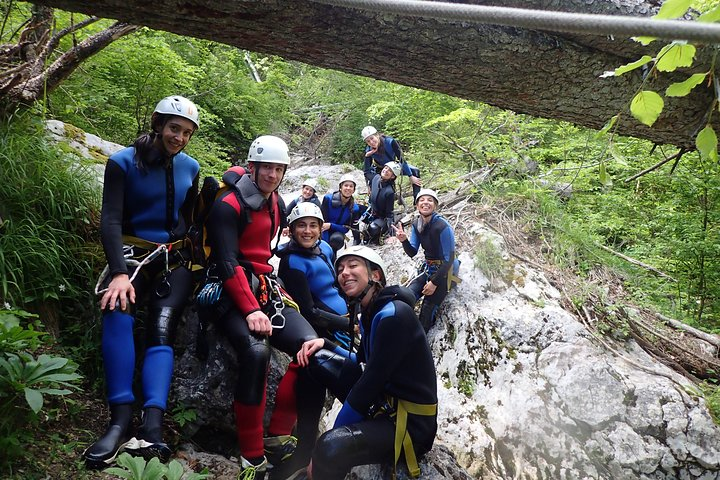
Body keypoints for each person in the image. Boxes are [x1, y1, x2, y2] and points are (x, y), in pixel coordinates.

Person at [84, 95, 200, 469]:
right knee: (117, 310)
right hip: (132, 257)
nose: (178, 137)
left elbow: (187, 219)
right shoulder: (121, 163)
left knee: (161, 327)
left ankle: (152, 425)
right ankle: (119, 421)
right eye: (173, 129)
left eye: (186, 132)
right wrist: (118, 271)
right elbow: (111, 221)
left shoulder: (191, 167)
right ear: (158, 124)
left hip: (173, 259)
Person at [203, 135, 320, 480]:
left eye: (278, 169)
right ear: (251, 167)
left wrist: (265, 297)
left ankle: (278, 434)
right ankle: (251, 455)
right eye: (266, 167)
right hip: (228, 286)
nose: (271, 175)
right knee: (257, 353)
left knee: (309, 347)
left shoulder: (276, 201)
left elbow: (266, 253)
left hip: (265, 286)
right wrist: (251, 309)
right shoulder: (228, 204)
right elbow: (226, 261)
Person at [294, 246, 438, 480]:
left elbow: (367, 386)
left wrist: (323, 451)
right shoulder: (372, 311)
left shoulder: (394, 316)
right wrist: (326, 344)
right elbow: (364, 363)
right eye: (340, 269)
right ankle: (303, 447)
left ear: (375, 275)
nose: (344, 273)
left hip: (409, 427)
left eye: (353, 265)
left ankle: (315, 462)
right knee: (316, 360)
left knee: (331, 447)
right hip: (385, 404)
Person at [271, 202, 353, 477]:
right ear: (292, 230)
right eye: (302, 226)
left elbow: (337, 286)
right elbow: (308, 311)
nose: (308, 231)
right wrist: (348, 323)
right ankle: (304, 452)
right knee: (312, 386)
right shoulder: (292, 262)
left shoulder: (327, 249)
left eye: (313, 225)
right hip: (325, 333)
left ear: (321, 228)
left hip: (344, 326)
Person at [395, 189, 461, 332]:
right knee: (406, 297)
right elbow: (412, 252)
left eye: (430, 200)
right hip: (429, 267)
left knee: (426, 311)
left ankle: (420, 344)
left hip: (446, 271)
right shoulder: (417, 224)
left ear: (435, 206)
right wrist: (404, 240)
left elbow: (449, 260)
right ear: (417, 205)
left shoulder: (442, 226)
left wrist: (433, 283)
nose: (426, 203)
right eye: (422, 200)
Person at [361, 125, 422, 199]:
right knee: (379, 190)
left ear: (377, 135)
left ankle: (417, 200)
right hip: (381, 170)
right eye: (368, 141)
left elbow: (401, 160)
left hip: (394, 167)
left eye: (372, 138)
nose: (371, 142)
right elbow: (367, 172)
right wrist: (374, 182)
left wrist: (410, 176)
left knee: (415, 171)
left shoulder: (390, 142)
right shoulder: (369, 151)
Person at [361, 161, 400, 245]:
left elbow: (389, 213)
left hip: (381, 218)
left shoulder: (389, 192)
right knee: (354, 210)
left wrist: (392, 234)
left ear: (393, 176)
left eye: (389, 171)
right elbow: (367, 172)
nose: (386, 170)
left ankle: (375, 239)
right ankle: (356, 239)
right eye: (386, 168)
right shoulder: (376, 178)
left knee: (373, 228)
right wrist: (367, 157)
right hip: (371, 211)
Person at [320, 173, 356, 252]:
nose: (348, 188)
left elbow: (346, 229)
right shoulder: (328, 199)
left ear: (354, 190)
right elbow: (322, 223)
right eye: (346, 185)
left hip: (337, 234)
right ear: (340, 187)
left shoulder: (354, 208)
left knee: (337, 239)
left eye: (351, 186)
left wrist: (331, 226)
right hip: (322, 231)